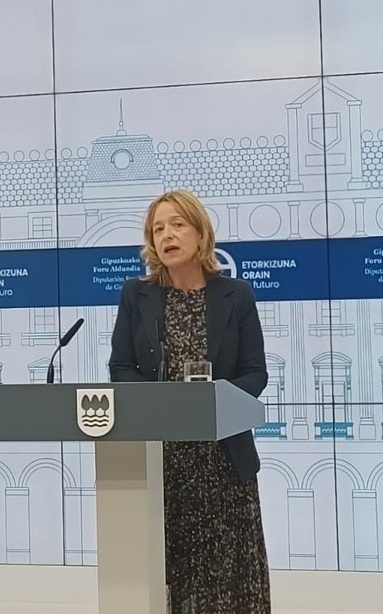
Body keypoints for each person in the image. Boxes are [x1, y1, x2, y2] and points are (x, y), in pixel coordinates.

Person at [109, 189, 271, 614]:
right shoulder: (136, 295)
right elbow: (121, 368)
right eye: (158, 229)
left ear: (201, 233)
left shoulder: (236, 294)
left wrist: (212, 405)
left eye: (178, 224)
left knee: (229, 583)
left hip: (223, 461)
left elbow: (255, 373)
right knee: (171, 576)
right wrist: (166, 405)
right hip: (163, 461)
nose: (167, 235)